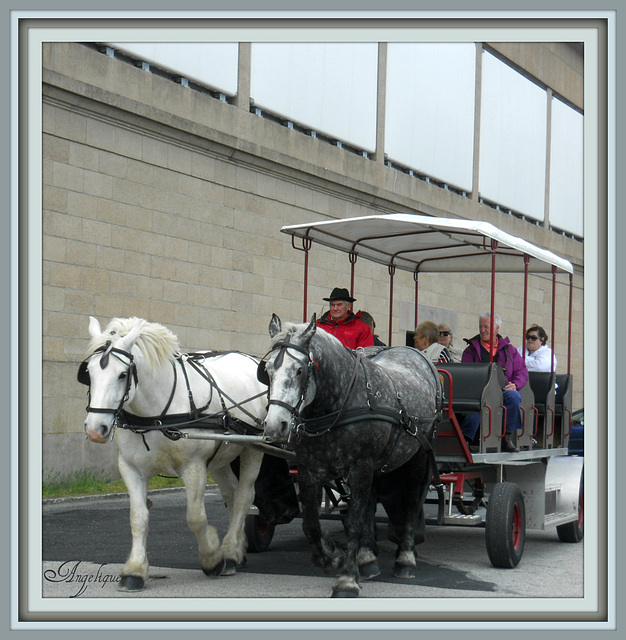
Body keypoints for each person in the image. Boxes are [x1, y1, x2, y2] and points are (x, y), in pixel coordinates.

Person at [460, 312, 529, 453]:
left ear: (497, 328)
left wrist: (515, 385)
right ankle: (464, 441)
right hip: (479, 392)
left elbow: (522, 371)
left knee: (514, 397)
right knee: (478, 406)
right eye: (481, 327)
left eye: (486, 327)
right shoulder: (471, 350)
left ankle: (506, 437)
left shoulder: (510, 350)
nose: (482, 330)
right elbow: (466, 372)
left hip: (503, 391)